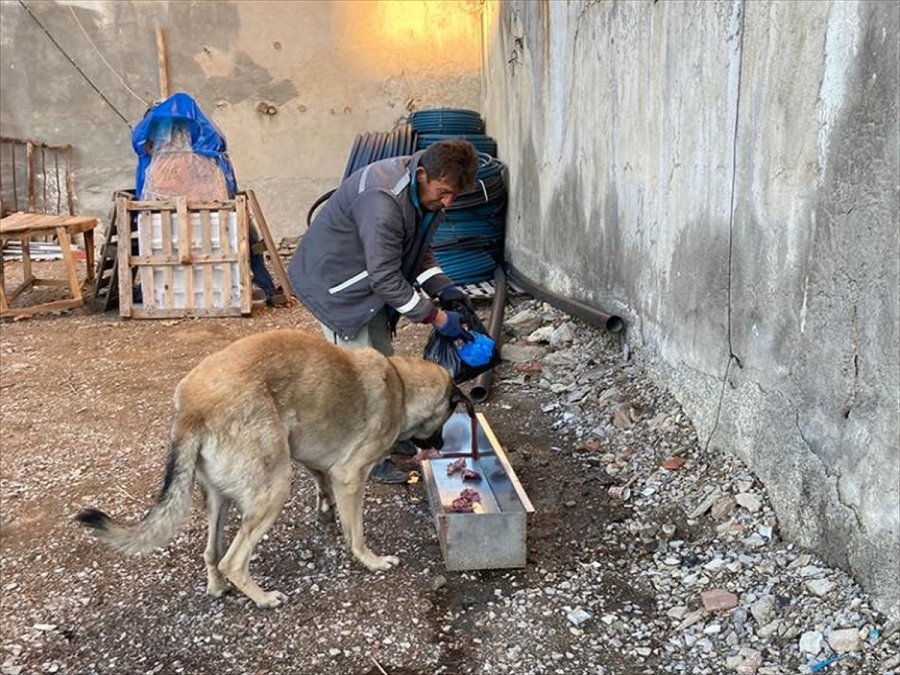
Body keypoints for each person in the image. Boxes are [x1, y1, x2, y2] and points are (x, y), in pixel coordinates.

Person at [288, 139, 479, 483]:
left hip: (368, 281)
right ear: (423, 174)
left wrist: (444, 287)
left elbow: (417, 252)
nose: (448, 202)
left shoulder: (427, 197)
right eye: (444, 192)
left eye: (455, 196)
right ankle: (366, 459)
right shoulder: (384, 200)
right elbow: (386, 277)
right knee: (360, 380)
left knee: (383, 365)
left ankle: (391, 433)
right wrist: (436, 317)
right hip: (335, 285)